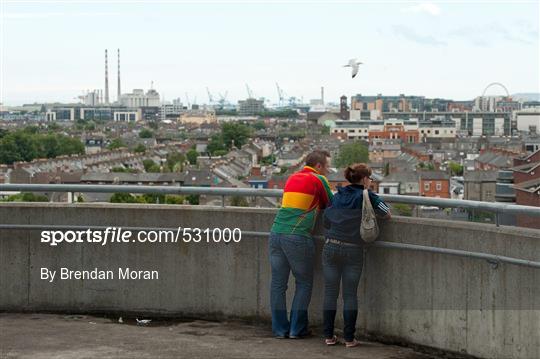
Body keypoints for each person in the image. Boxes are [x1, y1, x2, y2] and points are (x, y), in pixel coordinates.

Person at [322, 163, 391, 347]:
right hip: (353, 249)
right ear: (364, 179)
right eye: (370, 178)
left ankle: (328, 336)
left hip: (330, 247)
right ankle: (349, 339)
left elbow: (326, 220)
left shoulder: (337, 196)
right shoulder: (367, 196)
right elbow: (386, 212)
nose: (370, 181)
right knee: (350, 295)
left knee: (330, 293)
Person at [269, 150, 333, 339]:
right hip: (297, 236)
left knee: (278, 285)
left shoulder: (291, 178)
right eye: (327, 166)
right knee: (304, 283)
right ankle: (297, 329)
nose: (328, 170)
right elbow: (330, 205)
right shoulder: (318, 180)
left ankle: (280, 330)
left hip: (275, 233)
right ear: (319, 166)